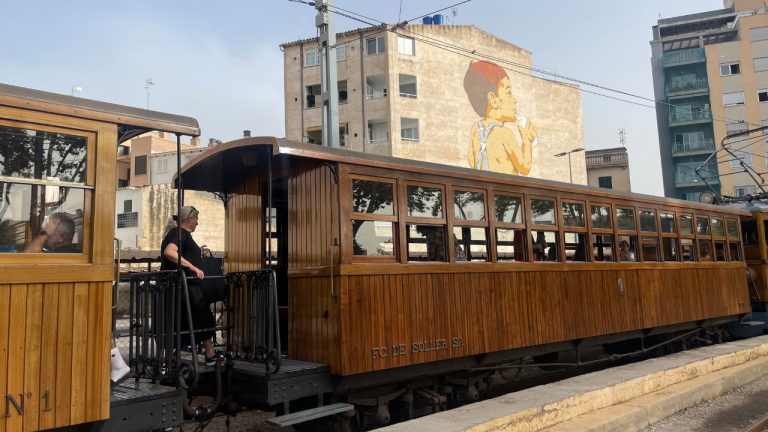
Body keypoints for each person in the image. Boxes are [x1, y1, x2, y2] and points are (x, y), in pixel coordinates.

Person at [161, 206, 218, 365]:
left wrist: (197, 252)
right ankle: (209, 354)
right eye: (197, 219)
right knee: (203, 316)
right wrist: (193, 267)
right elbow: (170, 252)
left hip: (176, 287)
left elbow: (179, 253)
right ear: (189, 219)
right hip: (186, 287)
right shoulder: (180, 233)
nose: (198, 223)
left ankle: (165, 361)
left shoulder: (174, 234)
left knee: (175, 321)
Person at [464, 60, 537, 175]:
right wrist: (526, 139)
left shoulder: (475, 129)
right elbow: (524, 168)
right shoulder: (504, 134)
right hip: (505, 191)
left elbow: (472, 161)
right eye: (508, 92)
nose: (514, 99)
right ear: (493, 100)